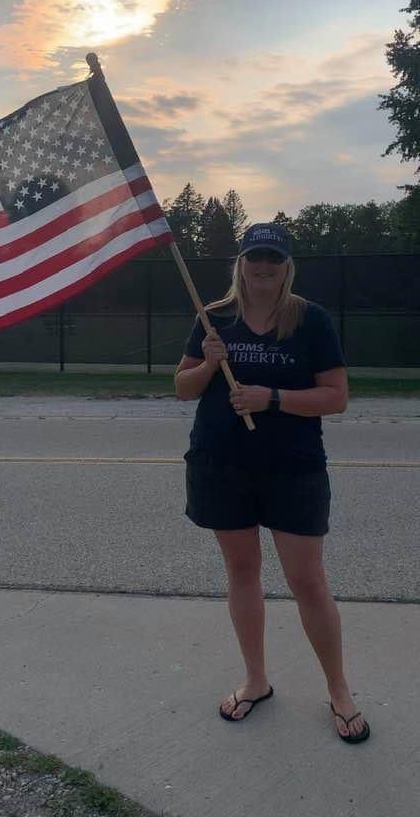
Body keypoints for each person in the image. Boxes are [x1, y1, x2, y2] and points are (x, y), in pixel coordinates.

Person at [174, 222, 370, 743]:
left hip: (293, 469)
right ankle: (256, 680)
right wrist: (209, 364)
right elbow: (183, 388)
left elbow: (336, 397)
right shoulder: (213, 318)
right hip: (221, 465)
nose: (264, 266)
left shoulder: (310, 319)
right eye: (255, 256)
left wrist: (273, 399)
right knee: (242, 572)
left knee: (308, 581)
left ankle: (339, 689)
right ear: (240, 263)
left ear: (287, 267)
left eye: (274, 259)